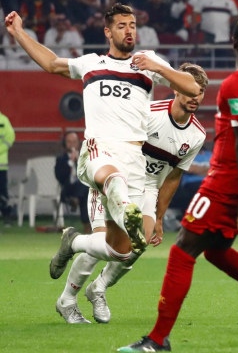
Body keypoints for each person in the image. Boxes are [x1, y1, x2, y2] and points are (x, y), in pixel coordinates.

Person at [117, 16, 238, 352]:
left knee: (182, 249)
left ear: (233, 40)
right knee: (216, 252)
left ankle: (157, 340)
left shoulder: (235, 84)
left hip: (227, 182)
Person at [4, 3, 200, 285]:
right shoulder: (91, 63)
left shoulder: (147, 64)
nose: (129, 30)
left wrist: (157, 66)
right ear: (108, 32)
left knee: (123, 251)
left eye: (132, 25)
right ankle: (123, 213)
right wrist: (19, 32)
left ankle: (73, 242)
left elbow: (192, 88)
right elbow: (51, 63)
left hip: (134, 157)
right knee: (113, 177)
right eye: (122, 26)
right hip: (100, 149)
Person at [54, 63, 208, 324]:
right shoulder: (147, 114)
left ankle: (98, 288)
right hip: (119, 178)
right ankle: (67, 299)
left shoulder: (197, 135)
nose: (195, 96)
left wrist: (159, 217)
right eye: (189, 89)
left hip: (147, 188)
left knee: (139, 244)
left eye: (200, 92)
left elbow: (172, 177)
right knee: (103, 246)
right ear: (175, 88)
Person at [55, 132, 91, 233]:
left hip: (84, 188)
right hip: (68, 189)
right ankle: (86, 225)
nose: (72, 145)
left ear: (79, 144)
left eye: (74, 142)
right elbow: (60, 177)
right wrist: (70, 162)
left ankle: (76, 200)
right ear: (65, 144)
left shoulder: (86, 157)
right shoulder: (61, 159)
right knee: (85, 190)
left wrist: (78, 160)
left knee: (85, 188)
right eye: (69, 142)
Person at [0, 110, 15, 226]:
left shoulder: (3, 120)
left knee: (3, 193)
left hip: (1, 166)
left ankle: (6, 217)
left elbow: (10, 137)